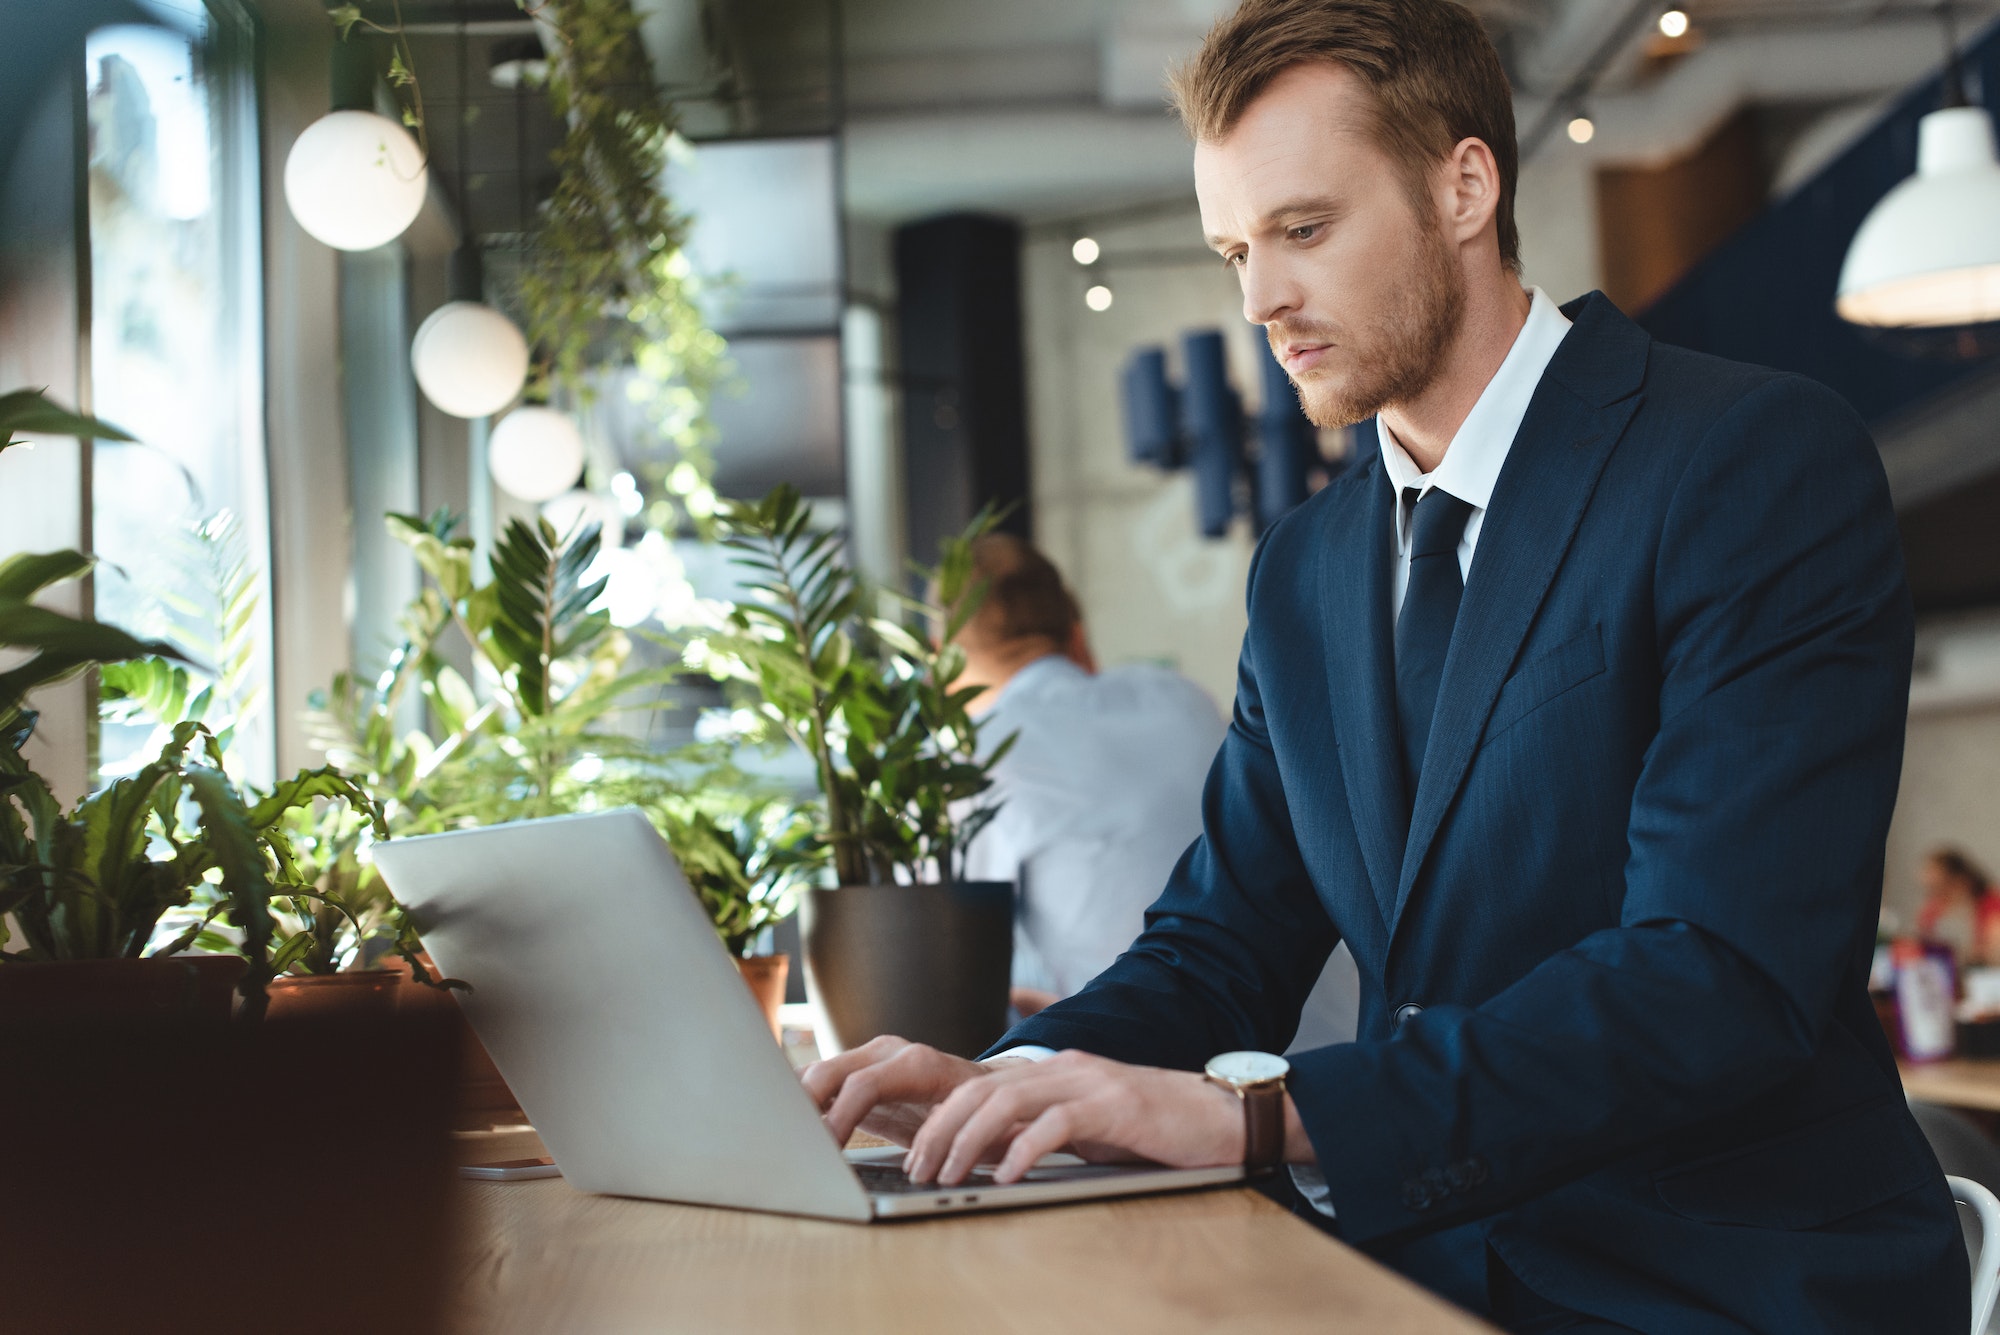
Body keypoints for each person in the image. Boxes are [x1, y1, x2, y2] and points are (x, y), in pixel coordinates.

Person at [803, 0, 1965, 1328]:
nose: (1259, 299)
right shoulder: (1304, 568)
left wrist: (1260, 1114)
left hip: (1714, 1283)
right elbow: (1221, 938)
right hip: (1418, 1260)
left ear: (1465, 184)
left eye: (1303, 229)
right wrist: (1004, 1075)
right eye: (1235, 248)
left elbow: (1715, 970)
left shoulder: (1747, 460)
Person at [951, 533, 1360, 1047]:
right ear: (1078, 637)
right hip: (1343, 1049)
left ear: (945, 665)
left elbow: (955, 983)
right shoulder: (1180, 696)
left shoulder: (972, 758)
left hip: (1173, 1074)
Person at [1916, 846, 2000, 966]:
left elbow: (1995, 952)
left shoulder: (1990, 902)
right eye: (1932, 889)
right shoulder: (1932, 910)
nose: (1937, 895)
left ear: (1960, 881)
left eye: (1941, 887)